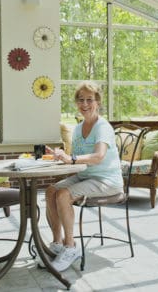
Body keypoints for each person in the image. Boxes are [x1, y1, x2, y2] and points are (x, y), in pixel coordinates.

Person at [44, 81, 124, 272]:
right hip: (86, 176)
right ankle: (57, 243)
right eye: (81, 100)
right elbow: (78, 159)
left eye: (90, 99)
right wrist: (60, 156)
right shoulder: (79, 128)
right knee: (50, 191)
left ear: (98, 102)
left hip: (107, 180)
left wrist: (70, 158)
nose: (85, 104)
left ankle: (71, 248)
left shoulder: (102, 127)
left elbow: (98, 157)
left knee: (63, 194)